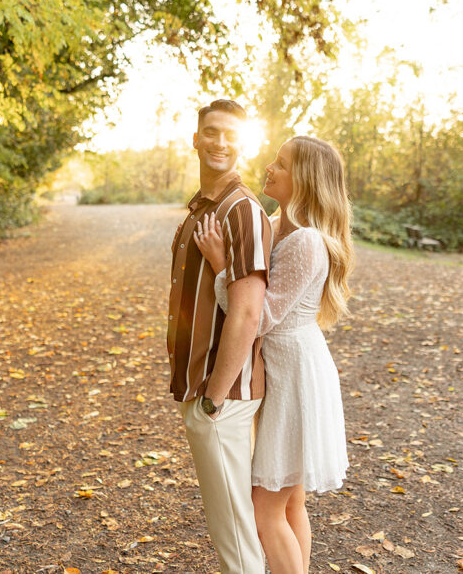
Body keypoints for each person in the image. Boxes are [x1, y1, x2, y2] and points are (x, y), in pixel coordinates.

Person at [193, 136, 353, 574]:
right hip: (283, 370)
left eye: (280, 164)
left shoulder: (306, 241)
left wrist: (221, 266)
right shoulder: (274, 221)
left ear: (303, 180)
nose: (269, 166)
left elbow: (260, 317)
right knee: (290, 500)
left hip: (296, 374)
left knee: (265, 509)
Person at [166, 99, 274, 574]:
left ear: (243, 144)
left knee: (235, 536)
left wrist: (214, 398)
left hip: (221, 396)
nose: (220, 143)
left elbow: (248, 312)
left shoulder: (242, 210)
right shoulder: (200, 208)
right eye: (211, 132)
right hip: (204, 391)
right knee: (227, 527)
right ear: (195, 138)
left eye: (231, 135)